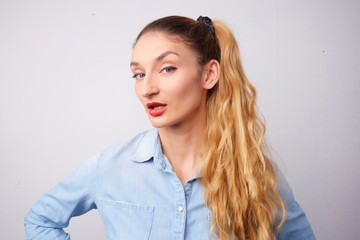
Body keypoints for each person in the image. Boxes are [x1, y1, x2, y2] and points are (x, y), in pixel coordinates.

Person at [24, 16, 315, 240]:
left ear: (209, 74)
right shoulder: (109, 167)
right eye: (138, 74)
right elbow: (39, 220)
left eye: (167, 69)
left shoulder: (255, 174)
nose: (147, 88)